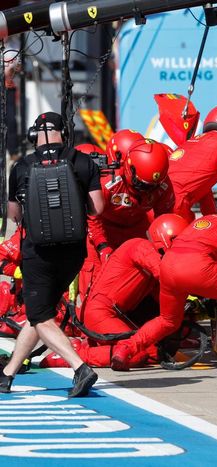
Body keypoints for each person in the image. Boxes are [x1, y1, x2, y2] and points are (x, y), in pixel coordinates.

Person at [0, 112, 104, 396]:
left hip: (38, 254)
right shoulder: (83, 162)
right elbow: (97, 209)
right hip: (73, 253)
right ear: (64, 132)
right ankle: (7, 374)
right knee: (42, 312)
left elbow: (15, 215)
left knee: (39, 315)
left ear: (35, 134)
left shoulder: (22, 166)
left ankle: (80, 368)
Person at [111, 195, 217, 371]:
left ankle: (126, 347)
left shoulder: (209, 218)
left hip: (168, 265)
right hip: (197, 267)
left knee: (168, 320)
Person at [41, 214, 189, 368]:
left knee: (153, 349)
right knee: (142, 354)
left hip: (109, 313)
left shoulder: (148, 252)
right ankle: (75, 355)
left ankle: (89, 347)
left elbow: (162, 296)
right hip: (101, 313)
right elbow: (165, 275)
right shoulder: (142, 247)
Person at [79, 139, 175, 303]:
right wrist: (103, 246)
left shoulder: (163, 187)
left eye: (152, 186)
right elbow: (92, 217)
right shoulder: (108, 182)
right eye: (143, 185)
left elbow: (164, 221)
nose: (147, 191)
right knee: (95, 286)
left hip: (136, 232)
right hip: (102, 232)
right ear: (129, 169)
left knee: (146, 278)